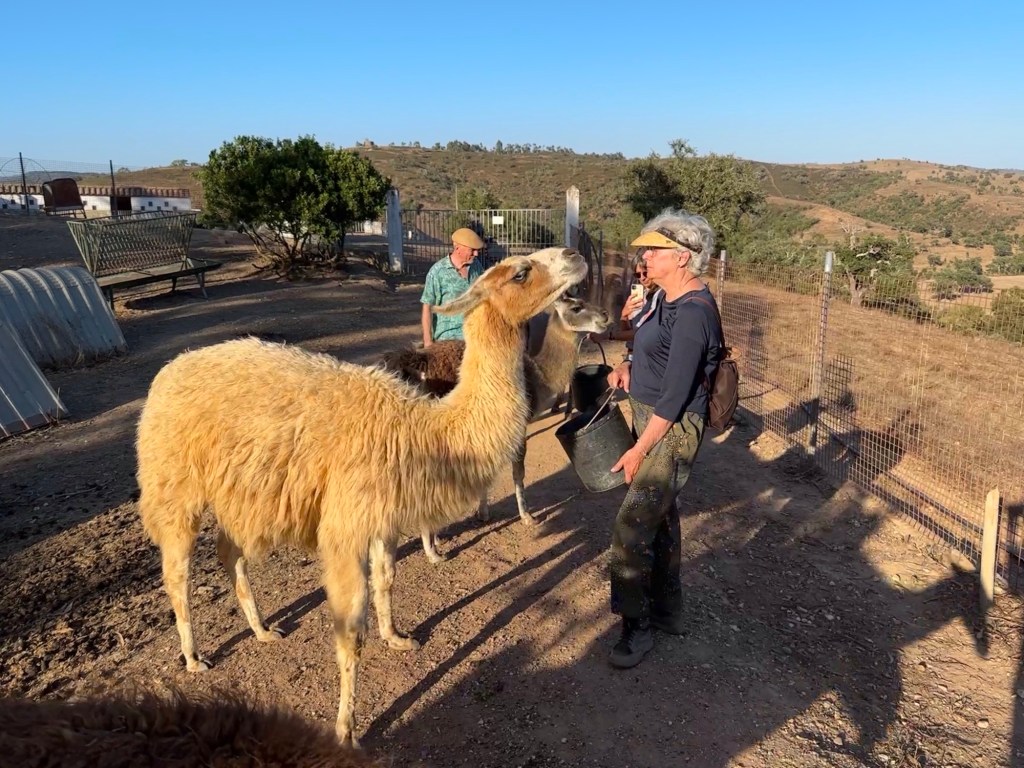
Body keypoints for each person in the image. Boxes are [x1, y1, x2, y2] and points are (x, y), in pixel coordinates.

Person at [604, 208, 724, 669]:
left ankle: (637, 628)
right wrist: (627, 365)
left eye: (654, 250)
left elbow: (676, 398)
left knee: (631, 526)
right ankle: (668, 611)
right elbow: (646, 351)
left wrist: (639, 448)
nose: (645, 256)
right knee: (661, 518)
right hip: (645, 412)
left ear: (682, 257)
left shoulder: (694, 312)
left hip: (669, 428)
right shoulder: (662, 298)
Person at [420, 227, 486, 346]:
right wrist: (428, 341)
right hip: (448, 339)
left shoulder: (476, 267)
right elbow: (427, 307)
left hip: (474, 335)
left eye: (477, 250)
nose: (476, 254)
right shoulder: (437, 272)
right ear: (458, 248)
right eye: (472, 250)